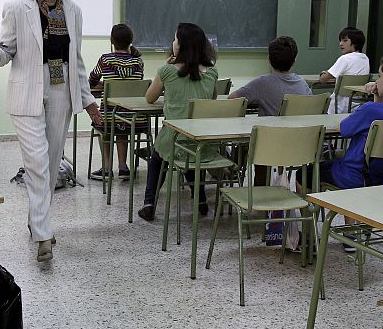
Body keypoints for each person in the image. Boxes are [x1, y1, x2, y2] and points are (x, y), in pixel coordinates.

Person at [0, 0, 101, 262]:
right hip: (26, 95)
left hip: (61, 90)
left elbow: (76, 61)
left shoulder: (73, 11)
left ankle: (38, 221)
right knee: (36, 163)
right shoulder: (16, 9)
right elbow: (7, 52)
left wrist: (89, 103)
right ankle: (43, 235)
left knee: (49, 164)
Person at [299, 51, 383, 191]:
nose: (377, 81)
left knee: (304, 174)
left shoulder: (369, 110)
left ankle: (310, 213)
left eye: (380, 76)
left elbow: (343, 129)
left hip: (354, 175)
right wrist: (378, 97)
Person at [138, 22, 218, 222]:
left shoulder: (167, 71)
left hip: (174, 139)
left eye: (175, 39)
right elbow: (212, 99)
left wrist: (166, 68)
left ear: (181, 45)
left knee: (157, 158)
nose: (172, 42)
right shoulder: (212, 72)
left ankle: (149, 203)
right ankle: (200, 199)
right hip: (202, 140)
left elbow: (149, 98)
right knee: (191, 157)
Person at [88, 24, 145, 181]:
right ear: (130, 41)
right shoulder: (138, 62)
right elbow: (133, 85)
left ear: (112, 41)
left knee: (104, 123)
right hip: (134, 118)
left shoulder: (105, 59)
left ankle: (107, 167)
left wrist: (106, 85)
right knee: (122, 126)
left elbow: (91, 81)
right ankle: (123, 167)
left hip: (109, 115)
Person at [227, 35, 311, 115]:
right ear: (294, 61)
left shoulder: (261, 83)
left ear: (268, 59)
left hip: (269, 130)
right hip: (298, 129)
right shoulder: (303, 84)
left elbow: (231, 100)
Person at [317, 27, 370, 113]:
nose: (340, 44)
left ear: (355, 43)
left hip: (338, 106)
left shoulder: (345, 59)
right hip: (356, 105)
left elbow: (323, 79)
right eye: (340, 41)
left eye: (345, 41)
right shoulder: (365, 59)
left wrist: (323, 73)